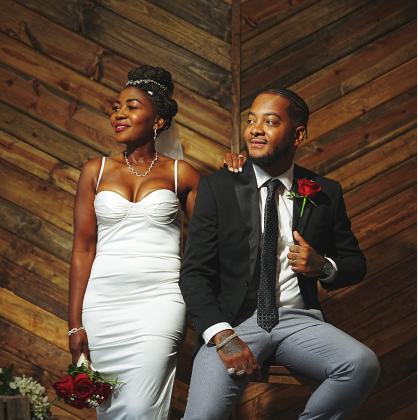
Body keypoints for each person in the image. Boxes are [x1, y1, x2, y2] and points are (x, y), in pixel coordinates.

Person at [179, 88, 380, 420]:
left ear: (298, 135)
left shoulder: (325, 191)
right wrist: (224, 337)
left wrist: (323, 267)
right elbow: (194, 273)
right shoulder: (218, 188)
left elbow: (356, 263)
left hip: (300, 321)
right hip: (235, 323)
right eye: (251, 120)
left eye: (270, 121)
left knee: (362, 364)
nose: (255, 129)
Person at [67, 64, 243, 420]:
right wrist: (75, 323)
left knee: (141, 408)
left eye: (131, 107)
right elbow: (83, 249)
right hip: (102, 306)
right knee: (111, 410)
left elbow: (221, 235)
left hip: (160, 302)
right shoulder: (94, 171)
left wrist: (234, 178)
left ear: (158, 120)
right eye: (117, 106)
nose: (119, 113)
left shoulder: (183, 174)